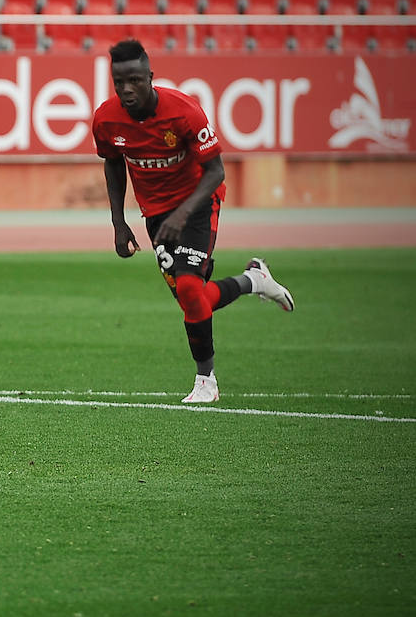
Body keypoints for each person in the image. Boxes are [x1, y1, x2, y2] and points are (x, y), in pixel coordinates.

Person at [92, 39, 294, 404]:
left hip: (198, 203)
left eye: (134, 80)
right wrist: (118, 222)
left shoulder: (184, 112)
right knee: (193, 300)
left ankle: (206, 382)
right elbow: (112, 162)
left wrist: (184, 213)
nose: (126, 89)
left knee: (189, 289)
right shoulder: (106, 119)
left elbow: (215, 172)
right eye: (119, 82)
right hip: (156, 215)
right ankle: (254, 280)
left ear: (150, 77)